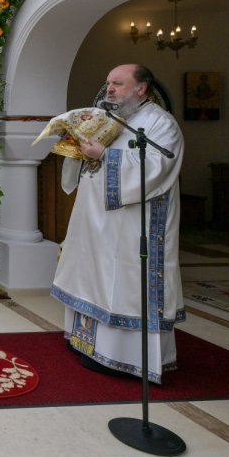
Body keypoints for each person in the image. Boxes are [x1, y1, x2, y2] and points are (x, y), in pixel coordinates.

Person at [52, 64, 184, 382]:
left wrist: (105, 156)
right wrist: (76, 146)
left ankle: (121, 356)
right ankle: (86, 343)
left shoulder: (159, 123)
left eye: (118, 83)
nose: (110, 89)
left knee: (123, 283)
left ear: (142, 88)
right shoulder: (108, 118)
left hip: (131, 226)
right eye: (108, 82)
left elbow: (159, 167)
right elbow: (87, 160)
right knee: (92, 276)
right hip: (95, 222)